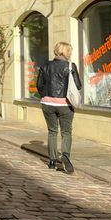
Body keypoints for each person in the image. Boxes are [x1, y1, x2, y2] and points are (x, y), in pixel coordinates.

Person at [36, 41, 82, 174]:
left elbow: (39, 84)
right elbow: (78, 86)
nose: (71, 53)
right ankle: (65, 156)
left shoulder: (46, 65)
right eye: (70, 51)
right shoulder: (70, 66)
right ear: (64, 52)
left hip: (48, 104)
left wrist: (46, 96)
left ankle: (52, 161)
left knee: (52, 131)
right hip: (65, 104)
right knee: (66, 132)